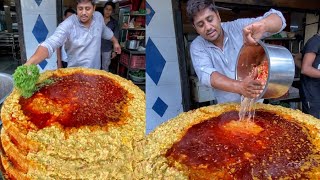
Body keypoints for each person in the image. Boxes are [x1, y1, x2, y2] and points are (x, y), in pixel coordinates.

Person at [187, 0, 286, 103]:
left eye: (210, 19)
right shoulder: (197, 46)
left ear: (218, 16)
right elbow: (208, 76)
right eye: (200, 24)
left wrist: (263, 25)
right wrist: (240, 87)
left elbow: (279, 19)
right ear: (195, 28)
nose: (208, 27)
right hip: (225, 109)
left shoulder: (239, 28)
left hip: (256, 105)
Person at [25, 0, 121, 69]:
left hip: (95, 72)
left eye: (87, 9)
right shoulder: (68, 24)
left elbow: (105, 31)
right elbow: (50, 43)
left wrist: (115, 42)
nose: (83, 13)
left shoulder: (98, 17)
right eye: (80, 9)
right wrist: (29, 64)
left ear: (94, 8)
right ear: (76, 8)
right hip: (75, 74)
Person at [299, 31, 320, 118]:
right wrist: (306, 69)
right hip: (312, 94)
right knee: (313, 126)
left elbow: (297, 58)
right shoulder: (315, 41)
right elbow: (305, 69)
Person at [101, 1, 119, 72]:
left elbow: (116, 37)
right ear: (103, 9)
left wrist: (114, 51)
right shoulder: (97, 20)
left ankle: (103, 82)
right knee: (94, 67)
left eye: (110, 10)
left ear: (112, 11)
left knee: (105, 68)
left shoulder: (114, 23)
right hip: (95, 48)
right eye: (106, 9)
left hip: (107, 49)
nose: (107, 11)